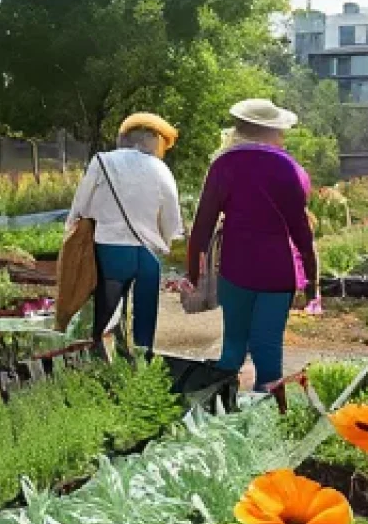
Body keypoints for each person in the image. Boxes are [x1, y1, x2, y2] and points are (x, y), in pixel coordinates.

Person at [187, 99, 317, 393]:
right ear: (271, 131)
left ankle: (218, 408)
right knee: (267, 347)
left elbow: (203, 223)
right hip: (276, 269)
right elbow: (300, 228)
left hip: (236, 267)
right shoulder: (286, 166)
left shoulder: (223, 163)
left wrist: (193, 272)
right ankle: (265, 418)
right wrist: (311, 278)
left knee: (233, 344)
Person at [67, 113, 183, 354]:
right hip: (147, 257)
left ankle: (103, 369)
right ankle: (141, 370)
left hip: (110, 252)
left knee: (105, 321)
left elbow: (80, 208)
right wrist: (166, 243)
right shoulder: (161, 169)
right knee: (144, 327)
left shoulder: (102, 162)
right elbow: (172, 221)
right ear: (153, 140)